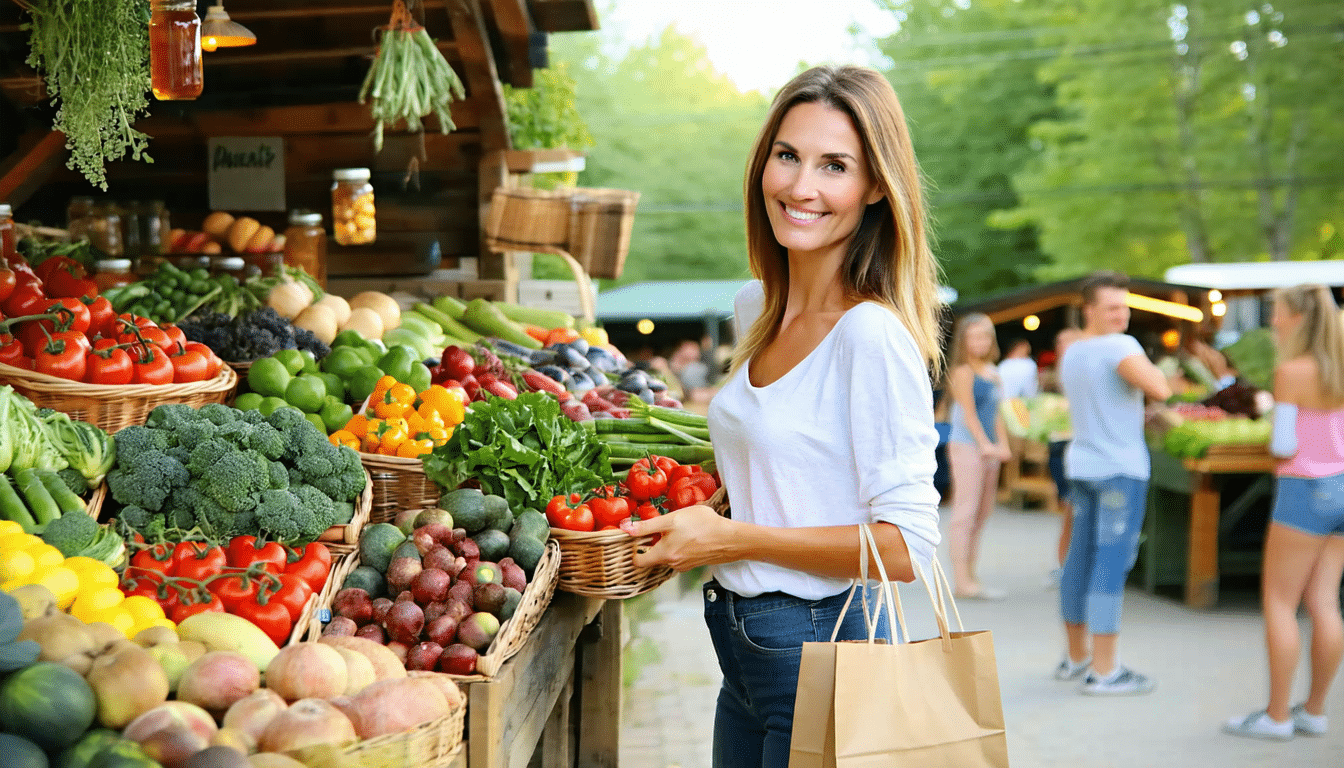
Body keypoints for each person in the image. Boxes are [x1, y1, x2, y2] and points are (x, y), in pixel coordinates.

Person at [619, 65, 944, 768]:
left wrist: (731, 538)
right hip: (745, 654)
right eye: (787, 155)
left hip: (823, 644)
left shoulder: (870, 335)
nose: (801, 187)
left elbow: (906, 548)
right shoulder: (755, 307)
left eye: (836, 166)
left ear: (876, 188)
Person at [1224, 284, 1344, 740]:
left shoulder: (1292, 370)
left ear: (1297, 318)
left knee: (1279, 602)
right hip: (1343, 488)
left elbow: (1283, 445)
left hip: (1304, 491)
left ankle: (1276, 716)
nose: (1272, 320)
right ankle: (1313, 711)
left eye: (1277, 312)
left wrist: (1270, 420)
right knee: (1325, 602)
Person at [1054, 271, 1171, 695]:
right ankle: (1105, 672)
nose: (1121, 314)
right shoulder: (1121, 345)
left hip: (1082, 464)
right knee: (1110, 564)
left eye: (1125, 306)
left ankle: (1075, 657)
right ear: (1090, 311)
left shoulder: (1073, 351)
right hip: (1120, 467)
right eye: (1112, 308)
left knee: (1078, 562)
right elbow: (1159, 386)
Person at [944, 312, 1012, 599]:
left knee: (982, 514)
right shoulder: (962, 372)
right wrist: (985, 444)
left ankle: (971, 575)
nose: (980, 341)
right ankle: (961, 581)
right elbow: (969, 414)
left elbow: (997, 414)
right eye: (973, 336)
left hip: (989, 449)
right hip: (966, 446)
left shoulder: (993, 372)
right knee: (965, 513)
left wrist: (1003, 444)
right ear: (963, 340)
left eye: (985, 335)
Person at [1046, 327, 1081, 584]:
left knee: (1076, 510)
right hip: (1061, 445)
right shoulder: (1055, 377)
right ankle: (1065, 567)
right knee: (1069, 508)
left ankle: (1070, 566)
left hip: (1078, 445)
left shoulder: (1082, 370)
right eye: (1061, 344)